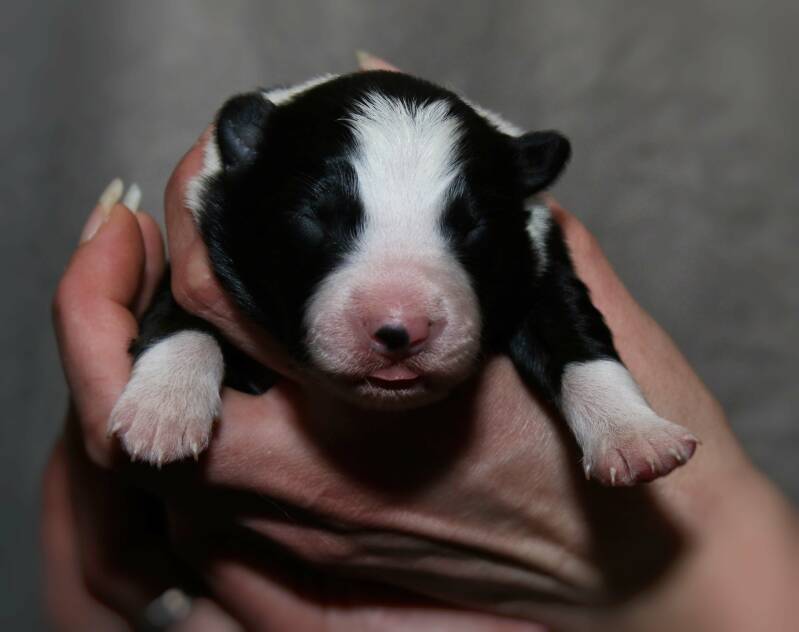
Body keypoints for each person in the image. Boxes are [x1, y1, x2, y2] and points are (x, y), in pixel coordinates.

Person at [43, 57, 798, 631]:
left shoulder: (528, 241)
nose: (401, 320)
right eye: (322, 222)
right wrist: (177, 363)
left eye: (462, 231)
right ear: (244, 161)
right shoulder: (236, 214)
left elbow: (561, 327)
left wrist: (620, 430)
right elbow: (188, 306)